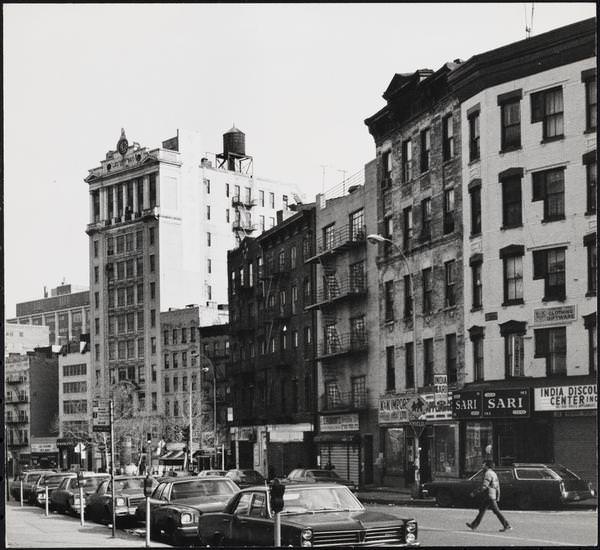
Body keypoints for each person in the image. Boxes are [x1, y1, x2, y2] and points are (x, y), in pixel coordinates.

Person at [466, 460, 512, 532]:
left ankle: (506, 525)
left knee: (496, 511)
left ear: (487, 466)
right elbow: (497, 486)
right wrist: (498, 496)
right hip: (492, 494)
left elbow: (484, 486)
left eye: (483, 464)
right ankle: (473, 525)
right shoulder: (493, 473)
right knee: (482, 510)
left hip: (489, 495)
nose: (482, 466)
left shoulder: (488, 473)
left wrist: (475, 492)